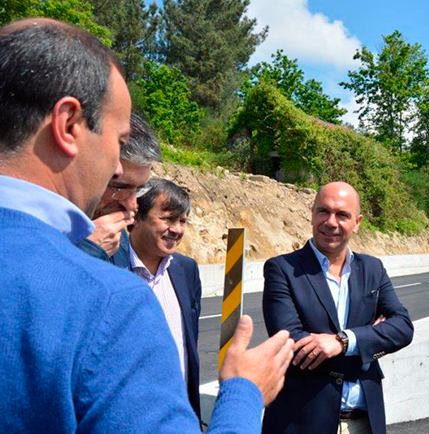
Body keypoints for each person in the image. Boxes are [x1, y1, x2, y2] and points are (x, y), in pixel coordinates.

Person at [0, 17, 292, 433]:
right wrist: (244, 392)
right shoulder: (107, 299)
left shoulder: (179, 274)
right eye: (118, 144)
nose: (116, 169)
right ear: (68, 125)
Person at [262, 181, 414, 434]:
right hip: (301, 422)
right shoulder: (282, 269)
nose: (331, 222)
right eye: (323, 211)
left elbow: (402, 328)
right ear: (312, 214)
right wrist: (369, 344)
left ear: (357, 223)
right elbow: (292, 343)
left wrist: (344, 341)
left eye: (342, 215)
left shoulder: (372, 269)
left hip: (365, 422)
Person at [118, 178, 203, 420]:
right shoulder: (109, 266)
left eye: (183, 221)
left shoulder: (186, 270)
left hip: (178, 414)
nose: (176, 229)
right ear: (137, 217)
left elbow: (189, 344)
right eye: (167, 218)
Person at [78, 111, 160, 267]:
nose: (132, 205)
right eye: (120, 188)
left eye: (139, 189)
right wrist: (87, 252)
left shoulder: (115, 237)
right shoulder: (35, 223)